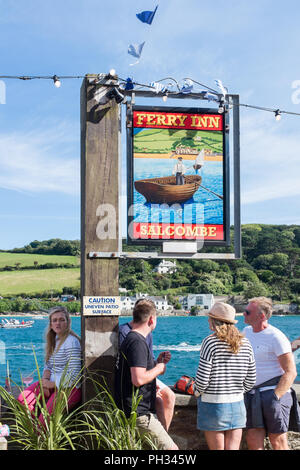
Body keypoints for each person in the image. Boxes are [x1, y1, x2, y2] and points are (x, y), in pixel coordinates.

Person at [115, 298, 178, 450]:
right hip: (138, 414)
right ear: (151, 319)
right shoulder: (137, 341)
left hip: (131, 411)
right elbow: (138, 379)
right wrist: (159, 368)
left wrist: (156, 362)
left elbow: (137, 369)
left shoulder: (131, 338)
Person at [195, 302, 256, 450]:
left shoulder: (210, 342)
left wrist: (197, 392)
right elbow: (251, 379)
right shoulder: (246, 343)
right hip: (237, 405)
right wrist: (236, 391)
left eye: (209, 318)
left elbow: (202, 380)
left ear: (214, 321)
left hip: (213, 405)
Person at [243, 297, 299, 450]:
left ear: (261, 316)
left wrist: (276, 396)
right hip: (252, 394)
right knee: (253, 438)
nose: (243, 314)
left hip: (273, 394)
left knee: (278, 440)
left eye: (247, 312)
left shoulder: (276, 337)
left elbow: (291, 371)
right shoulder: (246, 332)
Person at [18, 307, 82, 426]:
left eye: (62, 320)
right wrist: (46, 382)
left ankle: (41, 438)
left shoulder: (71, 341)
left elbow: (74, 374)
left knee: (45, 421)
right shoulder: (54, 340)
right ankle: (33, 431)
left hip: (69, 389)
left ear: (68, 323)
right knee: (23, 398)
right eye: (55, 320)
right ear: (51, 324)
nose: (58, 323)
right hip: (52, 383)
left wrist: (52, 385)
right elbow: (48, 366)